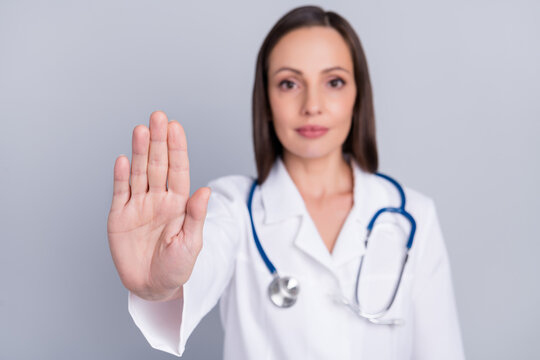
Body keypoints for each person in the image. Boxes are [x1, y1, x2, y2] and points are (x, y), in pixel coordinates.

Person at [107, 5, 465, 360]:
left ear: (358, 96)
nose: (312, 105)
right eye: (289, 83)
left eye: (334, 82)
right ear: (266, 100)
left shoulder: (414, 215)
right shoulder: (231, 207)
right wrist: (159, 285)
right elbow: (196, 264)